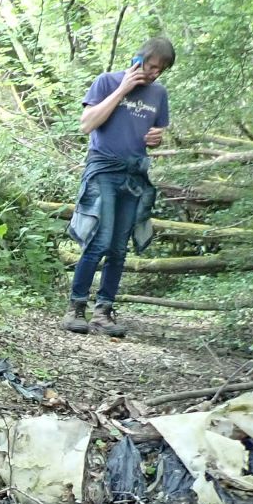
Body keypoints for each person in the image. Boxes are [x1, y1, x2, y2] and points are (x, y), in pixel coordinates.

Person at [61, 37, 174, 337]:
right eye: (151, 67)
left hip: (134, 173)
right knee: (98, 239)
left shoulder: (158, 94)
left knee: (119, 248)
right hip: (103, 168)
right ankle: (76, 307)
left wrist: (156, 139)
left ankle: (103, 312)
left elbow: (155, 133)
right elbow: (87, 124)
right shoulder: (106, 81)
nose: (154, 74)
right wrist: (123, 89)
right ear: (138, 59)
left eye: (160, 70)